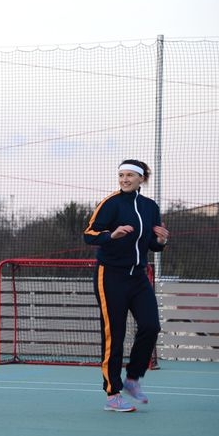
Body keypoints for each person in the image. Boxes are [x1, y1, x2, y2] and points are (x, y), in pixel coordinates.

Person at [83, 159, 169, 413]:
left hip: (138, 277)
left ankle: (133, 379)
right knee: (115, 335)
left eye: (130, 175)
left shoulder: (150, 207)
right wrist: (112, 235)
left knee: (151, 325)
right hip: (110, 276)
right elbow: (88, 234)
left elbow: (152, 244)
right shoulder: (110, 203)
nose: (124, 180)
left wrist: (162, 241)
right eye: (121, 175)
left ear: (142, 179)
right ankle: (113, 393)